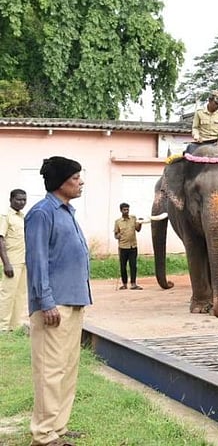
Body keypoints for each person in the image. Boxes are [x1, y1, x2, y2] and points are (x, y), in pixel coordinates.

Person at [25, 156, 92, 446]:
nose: (81, 182)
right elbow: (37, 261)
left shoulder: (66, 211)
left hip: (74, 301)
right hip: (54, 306)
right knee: (50, 371)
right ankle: (43, 433)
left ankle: (58, 428)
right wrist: (46, 301)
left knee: (67, 369)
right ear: (61, 182)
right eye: (76, 178)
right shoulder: (42, 213)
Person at [0, 189, 28, 331]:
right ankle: (2, 327)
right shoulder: (6, 216)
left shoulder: (22, 217)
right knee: (7, 294)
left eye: (24, 200)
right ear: (11, 199)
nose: (22, 202)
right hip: (12, 262)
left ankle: (14, 326)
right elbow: (1, 240)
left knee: (20, 294)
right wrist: (6, 264)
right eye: (18, 199)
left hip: (23, 261)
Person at [114, 202, 142, 290]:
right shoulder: (118, 222)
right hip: (123, 247)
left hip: (133, 246)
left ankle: (133, 284)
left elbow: (138, 229)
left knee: (133, 265)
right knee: (123, 267)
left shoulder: (133, 218)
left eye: (127, 209)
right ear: (121, 211)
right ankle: (124, 284)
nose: (126, 211)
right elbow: (115, 234)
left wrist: (140, 223)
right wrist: (118, 236)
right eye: (124, 210)